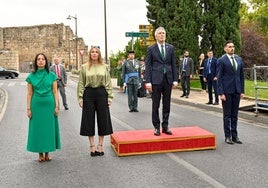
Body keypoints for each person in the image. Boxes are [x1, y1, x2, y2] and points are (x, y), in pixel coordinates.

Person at [77, 46, 113, 156]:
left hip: (102, 93)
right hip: (88, 94)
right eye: (92, 52)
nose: (94, 54)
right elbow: (81, 83)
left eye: (96, 52)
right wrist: (80, 97)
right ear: (89, 54)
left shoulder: (104, 66)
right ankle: (92, 146)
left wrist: (110, 96)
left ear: (99, 54)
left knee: (103, 119)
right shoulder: (84, 67)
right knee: (89, 120)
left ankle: (100, 145)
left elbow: (108, 82)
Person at [26, 53, 61, 162]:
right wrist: (28, 108)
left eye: (43, 59)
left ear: (46, 62)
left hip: (49, 105)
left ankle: (47, 153)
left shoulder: (52, 75)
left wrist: (57, 106)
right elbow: (29, 94)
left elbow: (55, 91)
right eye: (38, 59)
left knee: (48, 128)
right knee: (38, 129)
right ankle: (40, 154)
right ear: (36, 62)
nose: (40, 61)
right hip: (36, 105)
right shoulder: (31, 76)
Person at [145, 26, 178, 136]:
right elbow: (148, 66)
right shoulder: (151, 49)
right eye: (159, 33)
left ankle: (165, 126)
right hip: (155, 80)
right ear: (156, 36)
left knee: (167, 104)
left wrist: (175, 79)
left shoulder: (170, 48)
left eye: (163, 33)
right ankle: (156, 127)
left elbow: (173, 64)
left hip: (168, 79)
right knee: (156, 104)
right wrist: (148, 81)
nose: (162, 34)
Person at [217, 40, 244, 145]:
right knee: (227, 115)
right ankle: (227, 136)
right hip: (226, 91)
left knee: (235, 114)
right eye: (229, 47)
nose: (232, 48)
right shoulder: (221, 60)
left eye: (233, 46)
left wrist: (242, 90)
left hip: (237, 90)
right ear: (225, 49)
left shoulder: (239, 59)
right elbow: (219, 78)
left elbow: (241, 76)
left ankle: (235, 135)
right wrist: (221, 93)